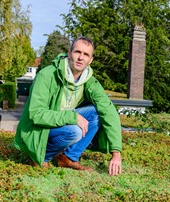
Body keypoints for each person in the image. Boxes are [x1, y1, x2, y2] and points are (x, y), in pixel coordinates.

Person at [14, 36, 122, 176]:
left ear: (91, 60)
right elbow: (37, 115)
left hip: (60, 124)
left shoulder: (89, 81)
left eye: (86, 54)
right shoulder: (46, 75)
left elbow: (109, 112)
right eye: (78, 52)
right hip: (38, 129)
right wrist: (72, 116)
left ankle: (68, 158)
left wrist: (116, 153)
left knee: (97, 113)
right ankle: (41, 157)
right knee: (74, 131)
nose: (81, 58)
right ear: (69, 53)